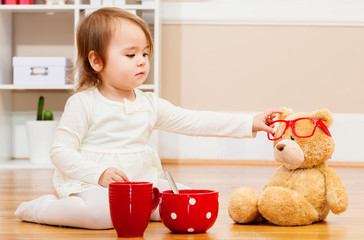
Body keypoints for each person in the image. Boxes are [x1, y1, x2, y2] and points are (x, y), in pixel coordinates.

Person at [15, 7, 281, 229]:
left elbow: (195, 121)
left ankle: (138, 209)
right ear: (96, 61)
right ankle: (43, 209)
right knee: (102, 216)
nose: (142, 61)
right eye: (130, 55)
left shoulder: (148, 104)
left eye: (145, 54)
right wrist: (99, 174)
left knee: (183, 198)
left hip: (142, 182)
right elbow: (60, 151)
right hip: (92, 184)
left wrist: (249, 122)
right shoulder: (84, 103)